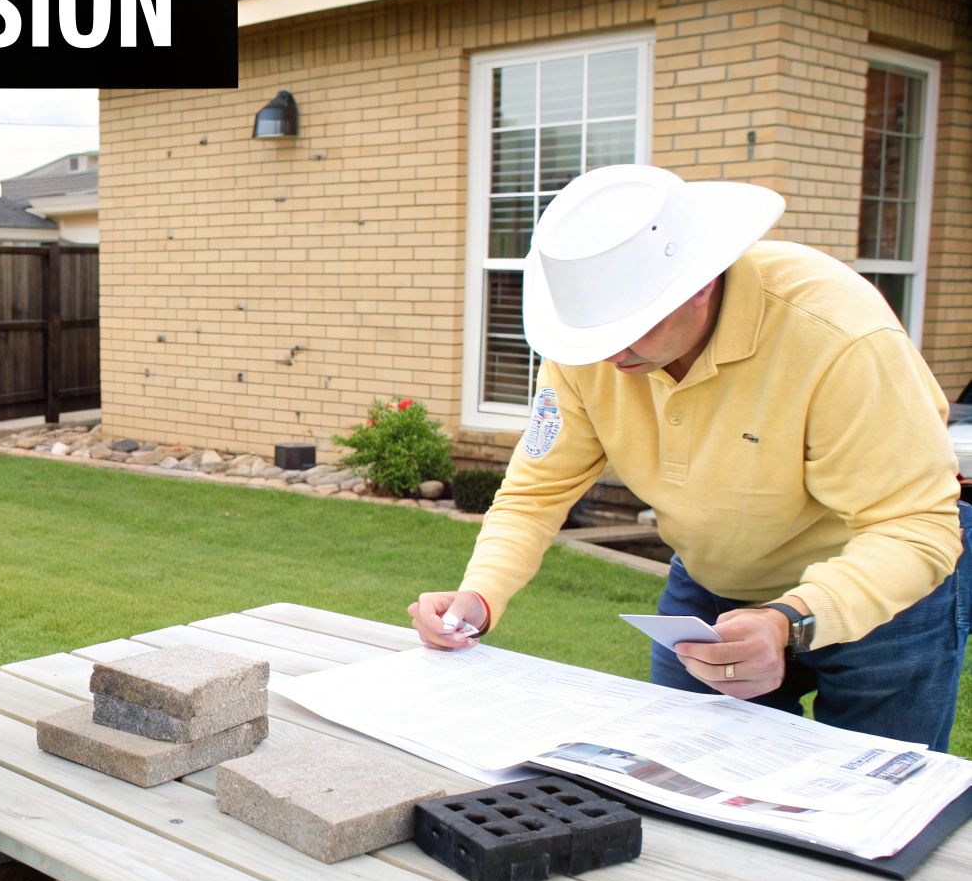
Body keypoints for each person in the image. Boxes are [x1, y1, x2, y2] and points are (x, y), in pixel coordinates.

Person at [409, 164, 970, 750]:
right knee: (688, 773)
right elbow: (535, 493)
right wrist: (479, 595)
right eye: (595, 335)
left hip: (882, 593)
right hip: (712, 581)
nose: (610, 356)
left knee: (871, 789)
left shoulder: (839, 335)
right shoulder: (590, 349)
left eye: (631, 328)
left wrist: (792, 618)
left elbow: (916, 526)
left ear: (699, 284)